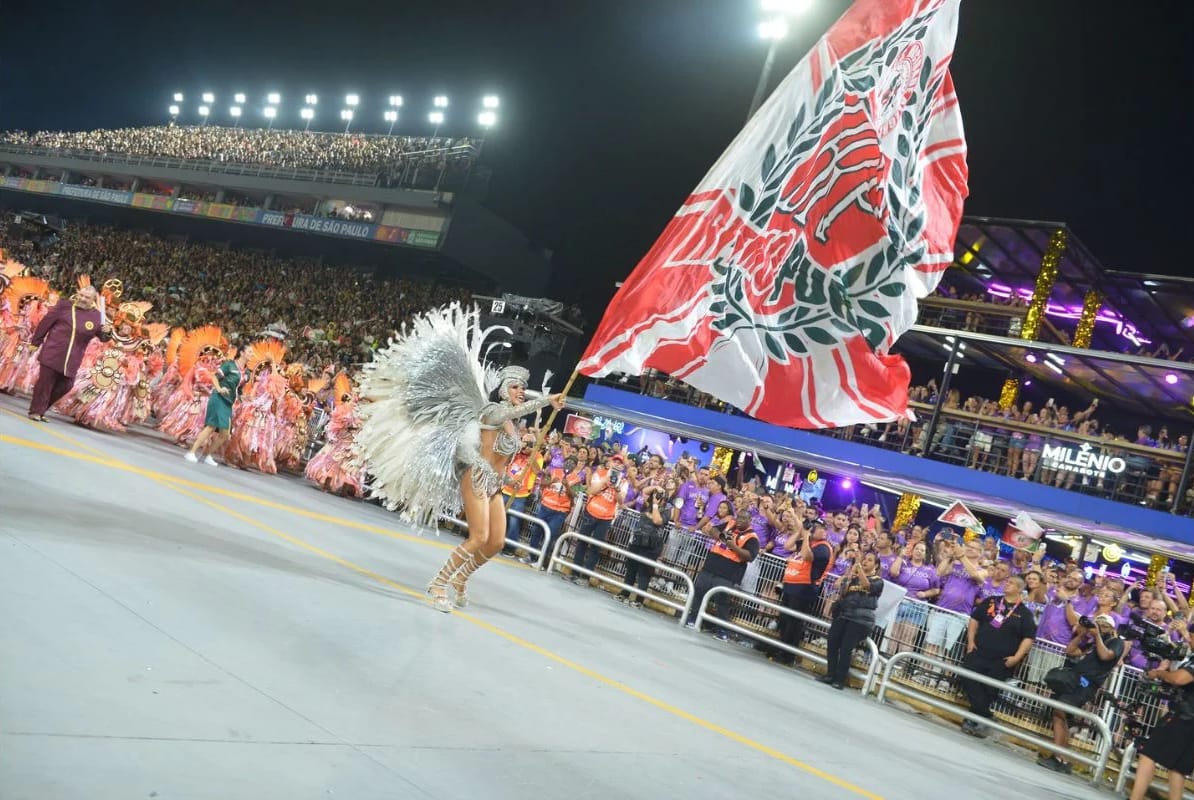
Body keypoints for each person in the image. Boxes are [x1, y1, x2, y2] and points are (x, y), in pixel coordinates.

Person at [353, 304, 564, 612]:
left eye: (523, 388)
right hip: (475, 479)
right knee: (478, 538)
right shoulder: (493, 411)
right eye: (516, 387)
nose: (521, 391)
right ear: (504, 390)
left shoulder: (511, 423)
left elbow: (507, 444)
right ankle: (438, 583)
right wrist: (546, 400)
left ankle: (461, 579)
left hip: (493, 485)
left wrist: (507, 473)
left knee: (496, 544)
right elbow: (508, 416)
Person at [1037, 613, 1125, 774]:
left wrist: (1097, 635)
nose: (1099, 628)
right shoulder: (1091, 642)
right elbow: (1070, 651)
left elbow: (1105, 656)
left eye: (1103, 626)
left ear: (1112, 628)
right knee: (1059, 716)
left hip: (1085, 686)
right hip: (1073, 682)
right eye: (1097, 624)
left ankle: (1060, 758)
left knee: (1060, 712)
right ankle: (1061, 758)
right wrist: (1083, 633)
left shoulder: (1117, 642)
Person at [959, 575, 1037, 738]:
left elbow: (1028, 638)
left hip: (1002, 660)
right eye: (1006, 581)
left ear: (1019, 589)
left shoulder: (1024, 613)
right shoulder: (992, 601)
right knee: (967, 677)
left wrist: (1017, 657)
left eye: (1011, 583)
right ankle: (986, 716)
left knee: (990, 690)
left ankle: (974, 720)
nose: (1006, 584)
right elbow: (974, 619)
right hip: (979, 651)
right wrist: (971, 641)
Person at [1128, 625, 1194, 800]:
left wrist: (1160, 673)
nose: (1189, 640)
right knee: (1177, 769)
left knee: (1149, 754)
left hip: (1184, 717)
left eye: (1192, 637)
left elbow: (1180, 678)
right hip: (1187, 718)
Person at [28, 283, 111, 421]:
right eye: (81, 295)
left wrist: (107, 333)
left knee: (66, 386)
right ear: (77, 294)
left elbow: (103, 338)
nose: (83, 299)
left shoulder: (97, 316)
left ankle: (41, 408)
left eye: (87, 297)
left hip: (73, 357)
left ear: (92, 301)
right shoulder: (63, 306)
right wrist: (36, 342)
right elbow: (45, 324)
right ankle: (36, 411)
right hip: (53, 351)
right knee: (45, 384)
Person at [685, 509, 759, 638]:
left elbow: (750, 556)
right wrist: (721, 537)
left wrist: (734, 547)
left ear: (749, 521)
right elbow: (713, 529)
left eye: (743, 519)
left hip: (727, 573)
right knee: (699, 593)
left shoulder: (752, 537)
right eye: (738, 518)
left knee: (722, 601)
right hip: (710, 567)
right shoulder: (729, 524)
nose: (740, 521)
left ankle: (722, 631)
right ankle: (693, 619)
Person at [819, 552, 884, 690]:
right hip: (844, 614)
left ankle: (840, 679)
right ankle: (830, 674)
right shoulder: (854, 578)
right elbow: (839, 588)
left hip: (861, 619)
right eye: (864, 559)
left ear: (876, 565)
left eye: (869, 560)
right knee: (832, 641)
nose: (865, 562)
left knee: (846, 648)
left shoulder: (878, 581)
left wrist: (859, 570)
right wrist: (848, 575)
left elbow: (867, 586)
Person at [774, 520, 834, 666]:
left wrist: (806, 535)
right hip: (791, 585)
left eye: (824, 529)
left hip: (804, 589)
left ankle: (788, 656)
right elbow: (788, 546)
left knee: (794, 623)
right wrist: (799, 532)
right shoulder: (808, 541)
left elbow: (807, 556)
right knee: (784, 619)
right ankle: (780, 649)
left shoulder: (823, 548)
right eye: (819, 528)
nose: (822, 531)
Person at [185, 347, 247, 466]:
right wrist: (219, 389)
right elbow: (214, 377)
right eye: (249, 352)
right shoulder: (229, 365)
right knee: (211, 427)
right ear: (242, 353)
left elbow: (239, 388)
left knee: (225, 434)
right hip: (218, 398)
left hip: (228, 403)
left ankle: (207, 454)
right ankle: (191, 452)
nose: (251, 354)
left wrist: (242, 397)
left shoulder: (246, 372)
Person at [617, 484, 673, 608]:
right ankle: (624, 593)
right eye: (657, 496)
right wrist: (657, 488)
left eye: (661, 497)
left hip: (651, 546)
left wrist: (655, 505)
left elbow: (657, 521)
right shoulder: (646, 505)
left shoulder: (667, 511)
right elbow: (644, 491)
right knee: (631, 569)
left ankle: (639, 600)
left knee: (644, 573)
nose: (658, 498)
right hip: (637, 540)